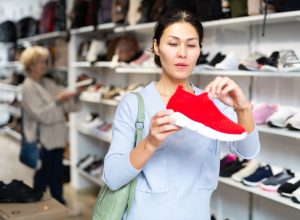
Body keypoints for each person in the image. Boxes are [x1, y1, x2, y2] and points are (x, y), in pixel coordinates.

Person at [102, 10, 260, 220]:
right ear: (157, 47)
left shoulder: (212, 101)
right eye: (173, 44)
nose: (182, 53)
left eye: (191, 45)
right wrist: (150, 142)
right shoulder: (134, 103)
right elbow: (112, 178)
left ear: (199, 50)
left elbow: (247, 151)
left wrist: (242, 108)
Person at [20, 46, 81, 211]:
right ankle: (38, 208)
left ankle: (58, 206)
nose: (44, 65)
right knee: (42, 176)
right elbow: (41, 115)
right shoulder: (28, 87)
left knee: (56, 174)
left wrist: (74, 95)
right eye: (40, 62)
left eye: (44, 61)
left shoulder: (47, 82)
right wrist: (58, 101)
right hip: (42, 139)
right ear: (30, 64)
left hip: (56, 137)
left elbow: (66, 106)